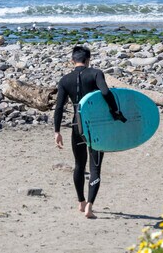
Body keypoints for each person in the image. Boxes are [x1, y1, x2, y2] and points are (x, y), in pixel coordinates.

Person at [53, 45, 126, 219]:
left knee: (79, 164)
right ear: (88, 60)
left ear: (72, 60)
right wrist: (115, 111)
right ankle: (90, 207)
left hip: (77, 126)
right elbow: (106, 92)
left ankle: (81, 202)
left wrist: (57, 131)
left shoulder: (65, 80)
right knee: (95, 167)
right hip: (94, 126)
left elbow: (59, 108)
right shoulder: (95, 73)